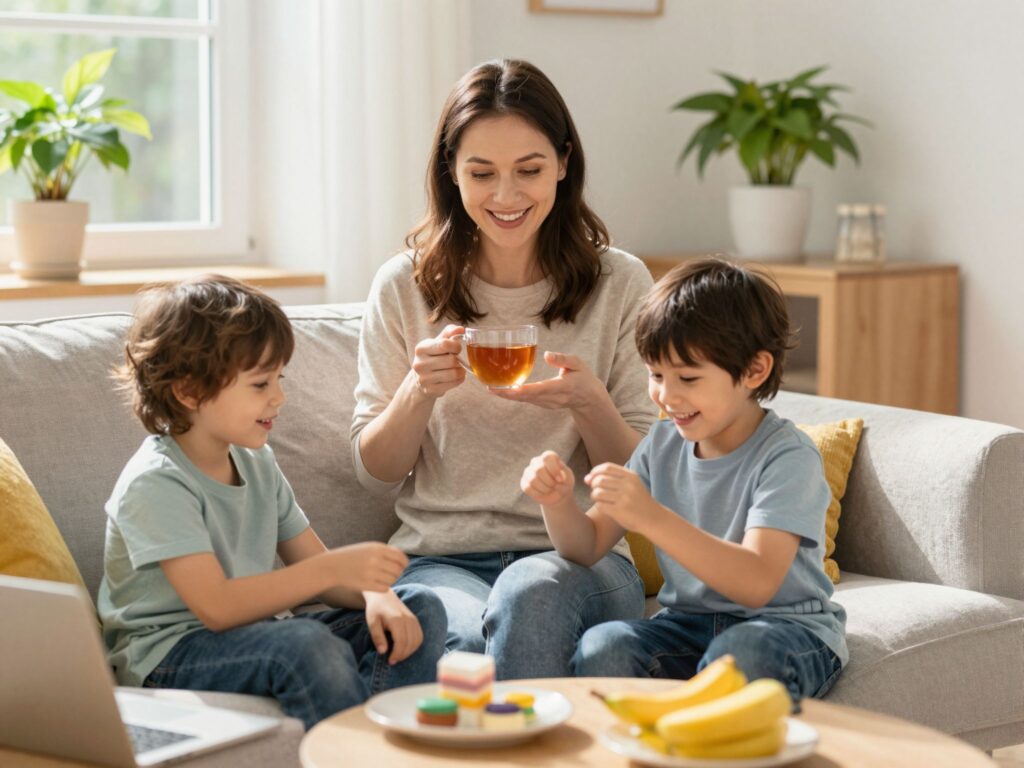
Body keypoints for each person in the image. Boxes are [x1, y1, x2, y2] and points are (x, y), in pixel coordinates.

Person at [351, 59, 659, 679]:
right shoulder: (403, 287)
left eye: (530, 170)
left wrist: (588, 403)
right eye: (482, 173)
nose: (506, 196)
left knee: (529, 593)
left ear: (565, 162)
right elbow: (374, 474)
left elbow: (647, 473)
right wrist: (417, 392)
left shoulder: (620, 283)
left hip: (578, 557)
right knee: (451, 641)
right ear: (451, 173)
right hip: (440, 560)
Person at [98, 276, 446, 730]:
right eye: (260, 384)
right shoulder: (157, 483)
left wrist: (375, 593)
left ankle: (372, 742)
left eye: (277, 379)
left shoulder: (256, 462)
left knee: (419, 606)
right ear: (188, 391)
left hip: (257, 634)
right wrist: (335, 570)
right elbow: (217, 607)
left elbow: (323, 575)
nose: (279, 397)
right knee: (304, 644)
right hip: (171, 653)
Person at [520, 258, 847, 703]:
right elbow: (587, 545)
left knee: (740, 654)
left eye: (688, 378)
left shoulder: (788, 457)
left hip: (783, 628)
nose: (666, 396)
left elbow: (756, 583)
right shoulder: (661, 444)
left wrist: (651, 517)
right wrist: (557, 502)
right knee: (605, 647)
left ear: (754, 371)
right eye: (656, 375)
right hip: (686, 627)